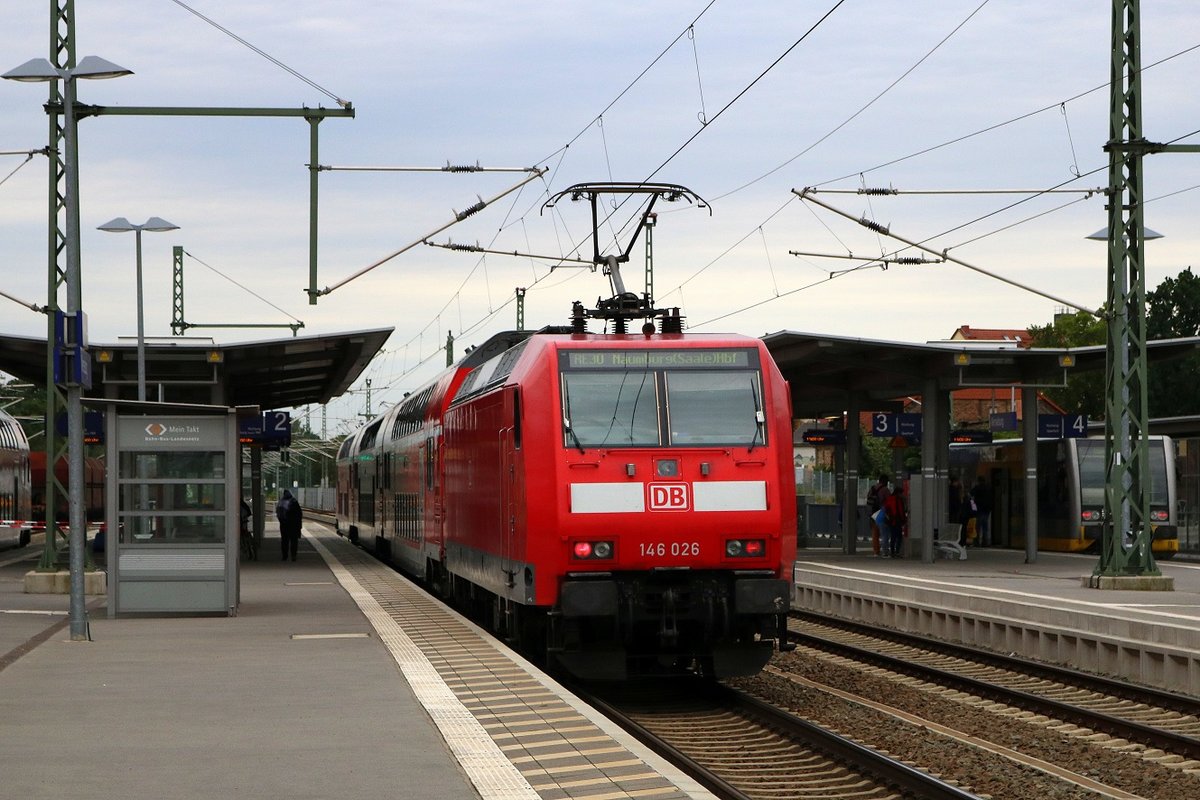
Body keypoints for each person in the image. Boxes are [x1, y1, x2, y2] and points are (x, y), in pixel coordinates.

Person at [866, 474, 891, 557]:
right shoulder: (885, 490)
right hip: (881, 512)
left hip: (872, 513)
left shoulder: (872, 488)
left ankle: (876, 551)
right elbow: (889, 502)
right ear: (885, 481)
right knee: (884, 533)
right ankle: (885, 552)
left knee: (874, 533)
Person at [275, 489, 303, 561]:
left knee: (284, 541)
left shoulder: (281, 502)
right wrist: (299, 526)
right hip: (294, 525)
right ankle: (293, 556)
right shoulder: (294, 502)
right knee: (294, 541)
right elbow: (299, 514)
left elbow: (278, 514)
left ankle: (285, 556)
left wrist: (281, 521)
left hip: (284, 525)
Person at [883, 483, 907, 558]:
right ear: (898, 493)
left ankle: (893, 552)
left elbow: (886, 509)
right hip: (897, 521)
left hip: (891, 521)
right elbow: (900, 511)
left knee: (893, 536)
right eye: (901, 493)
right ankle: (896, 552)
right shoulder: (898, 500)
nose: (902, 495)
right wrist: (904, 520)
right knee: (899, 537)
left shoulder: (889, 499)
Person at [970, 476, 993, 547]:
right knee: (985, 526)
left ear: (978, 481)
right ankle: (985, 542)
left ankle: (976, 542)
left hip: (979, 509)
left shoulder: (977, 488)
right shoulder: (988, 488)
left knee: (978, 527)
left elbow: (971, 494)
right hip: (987, 510)